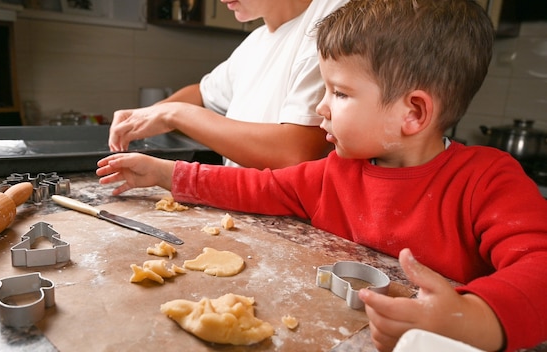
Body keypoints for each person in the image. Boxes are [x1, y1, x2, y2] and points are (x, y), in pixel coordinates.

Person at [96, 0, 547, 351]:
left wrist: (470, 321)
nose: (320, 107)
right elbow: (254, 186)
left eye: (340, 93)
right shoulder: (336, 173)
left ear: (413, 112)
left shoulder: (486, 182)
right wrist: (164, 173)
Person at [108, 0, 348, 169]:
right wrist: (151, 113)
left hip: (296, 221)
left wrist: (175, 114)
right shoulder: (256, 41)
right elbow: (202, 93)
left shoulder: (332, 19)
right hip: (247, 210)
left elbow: (294, 153)